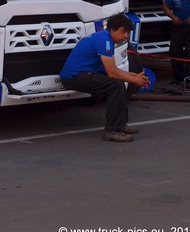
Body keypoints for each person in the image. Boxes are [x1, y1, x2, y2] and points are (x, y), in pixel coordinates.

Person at [60, 13, 149, 142]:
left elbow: (113, 70)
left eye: (128, 33)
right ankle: (112, 130)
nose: (126, 36)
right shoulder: (104, 40)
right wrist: (135, 79)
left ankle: (120, 124)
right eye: (123, 31)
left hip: (85, 74)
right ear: (112, 29)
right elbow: (112, 72)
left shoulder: (105, 38)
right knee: (116, 85)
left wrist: (136, 76)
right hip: (73, 77)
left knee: (118, 83)